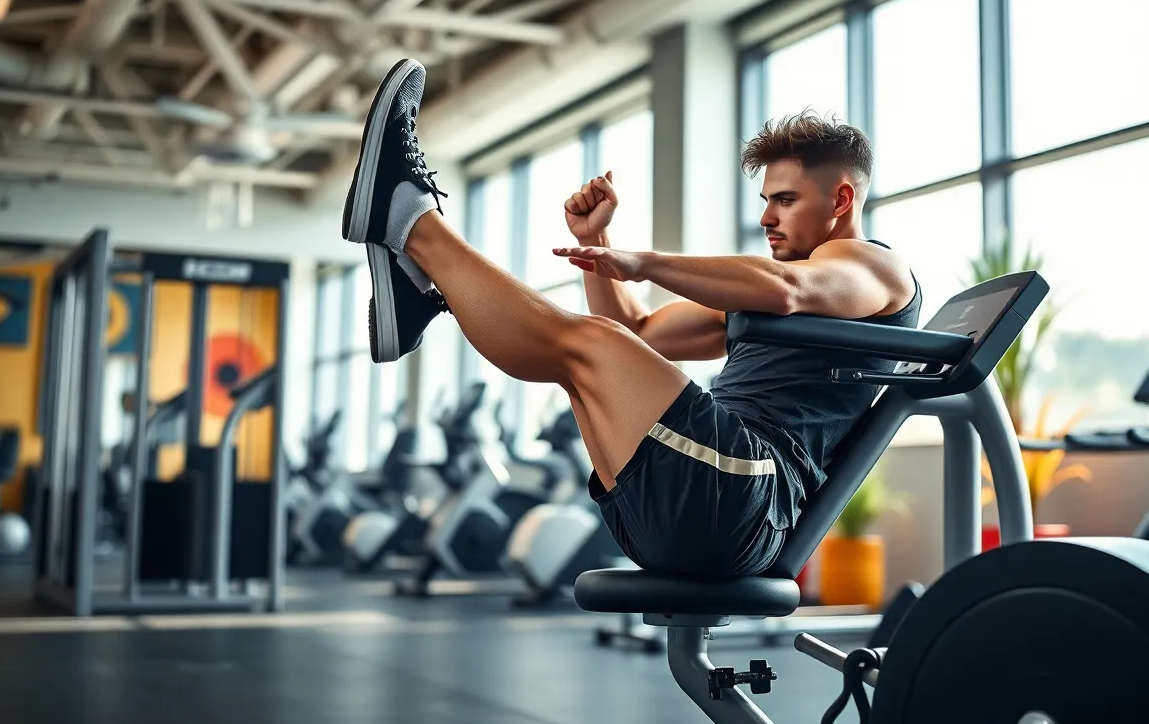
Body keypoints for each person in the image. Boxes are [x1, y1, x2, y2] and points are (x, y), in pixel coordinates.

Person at [340, 58, 920, 579]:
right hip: (700, 496)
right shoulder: (774, 292)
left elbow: (790, 289)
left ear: (841, 200)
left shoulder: (871, 267)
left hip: (747, 491)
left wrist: (643, 262)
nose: (767, 217)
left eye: (785, 200)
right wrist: (599, 244)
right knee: (588, 356)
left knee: (587, 347)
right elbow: (640, 333)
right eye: (765, 200)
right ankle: (422, 273)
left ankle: (411, 224)